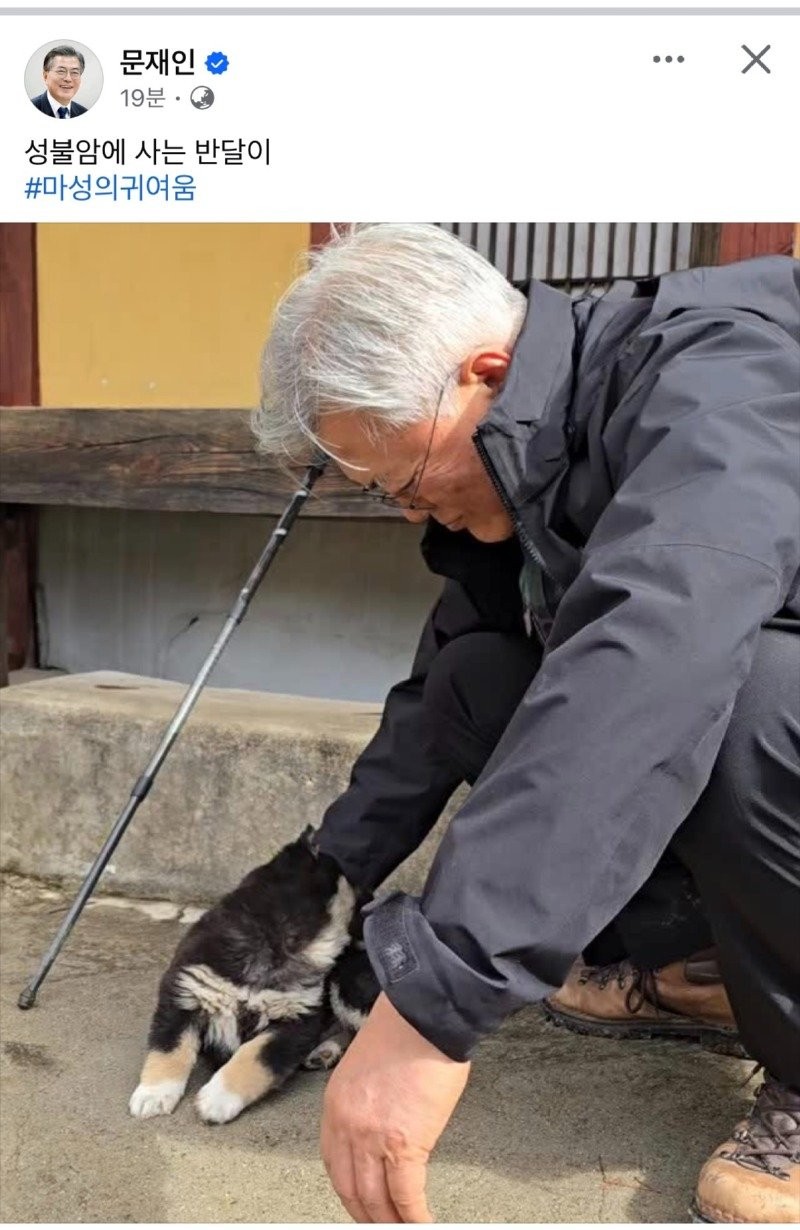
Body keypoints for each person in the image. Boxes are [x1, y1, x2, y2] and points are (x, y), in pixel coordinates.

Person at [254, 224, 800, 1224]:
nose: (408, 511)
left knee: (736, 698)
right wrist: (306, 892)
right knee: (483, 677)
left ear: (485, 376)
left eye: (404, 481)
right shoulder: (532, 452)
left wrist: (432, 1009)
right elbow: (437, 699)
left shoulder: (719, 379)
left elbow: (650, 660)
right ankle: (699, 967)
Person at [30, 46, 88, 118]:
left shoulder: (83, 112)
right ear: (45, 76)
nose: (68, 79)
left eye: (74, 72)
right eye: (61, 71)